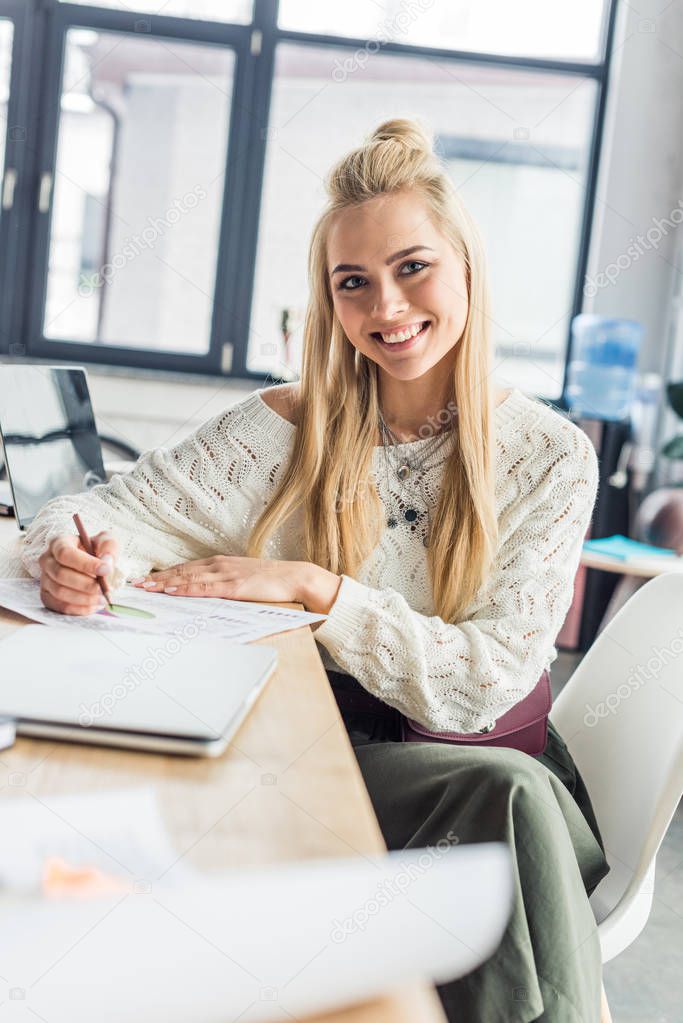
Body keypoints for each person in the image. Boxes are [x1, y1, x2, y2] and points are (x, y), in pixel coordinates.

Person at [22, 118, 612, 1022]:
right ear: (327, 299)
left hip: (472, 764)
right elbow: (98, 508)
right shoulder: (280, 428)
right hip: (328, 750)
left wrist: (316, 588)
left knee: (502, 796)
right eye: (353, 283)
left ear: (465, 268)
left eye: (412, 267)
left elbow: (483, 686)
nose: (386, 307)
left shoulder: (549, 455)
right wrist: (69, 552)